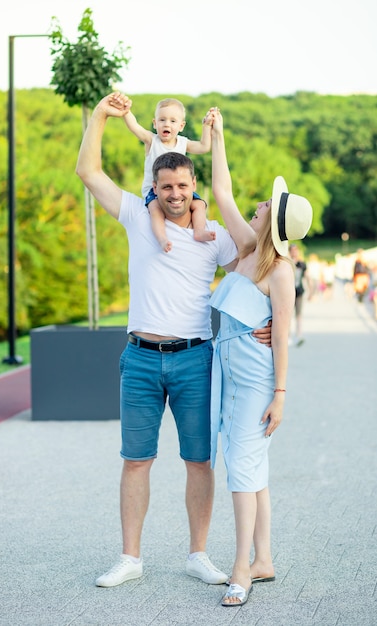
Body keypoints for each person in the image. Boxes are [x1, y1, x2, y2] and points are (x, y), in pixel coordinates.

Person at [75, 93, 272, 588]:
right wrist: (99, 116)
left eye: (183, 185)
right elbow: (88, 173)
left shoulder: (215, 239)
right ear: (155, 188)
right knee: (136, 460)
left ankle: (198, 554)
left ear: (193, 186)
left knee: (199, 461)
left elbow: (260, 262)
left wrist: (270, 322)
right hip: (140, 358)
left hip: (195, 360)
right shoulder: (138, 219)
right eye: (166, 186)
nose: (175, 193)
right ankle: (130, 558)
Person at [208, 109, 312, 607]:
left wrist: (281, 397)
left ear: (274, 219)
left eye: (267, 202)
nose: (258, 201)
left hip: (255, 381)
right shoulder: (248, 248)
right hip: (229, 374)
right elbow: (222, 192)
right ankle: (264, 558)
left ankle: (242, 568)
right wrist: (220, 136)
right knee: (252, 471)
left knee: (242, 473)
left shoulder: (280, 272)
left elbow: (284, 336)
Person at [118, 95, 216, 252]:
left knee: (199, 204)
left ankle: (199, 231)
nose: (167, 124)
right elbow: (135, 127)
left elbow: (204, 147)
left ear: (181, 126)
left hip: (178, 189)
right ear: (155, 123)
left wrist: (206, 126)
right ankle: (162, 238)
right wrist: (125, 111)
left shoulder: (183, 143)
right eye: (162, 120)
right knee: (155, 209)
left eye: (172, 121)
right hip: (154, 191)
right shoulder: (152, 140)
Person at [289, 243, 307, 346]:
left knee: (299, 315)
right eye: (293, 250)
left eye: (296, 250)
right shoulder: (287, 263)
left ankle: (299, 335)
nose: (294, 252)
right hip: (288, 292)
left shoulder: (301, 264)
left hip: (299, 291)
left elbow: (306, 276)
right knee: (289, 315)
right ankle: (288, 336)